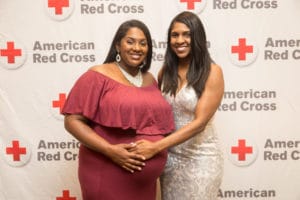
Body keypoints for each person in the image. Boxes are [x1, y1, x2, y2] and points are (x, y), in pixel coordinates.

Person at [61, 19, 175, 200]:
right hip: (107, 170)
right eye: (130, 41)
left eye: (143, 43)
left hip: (145, 185)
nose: (137, 48)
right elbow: (72, 121)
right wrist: (110, 151)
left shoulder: (150, 79)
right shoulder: (98, 75)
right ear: (117, 45)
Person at [131, 11, 224, 200]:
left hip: (201, 159)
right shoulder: (165, 72)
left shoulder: (212, 72)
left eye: (186, 34)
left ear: (197, 37)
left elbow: (200, 123)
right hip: (170, 159)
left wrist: (156, 147)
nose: (179, 40)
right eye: (175, 35)